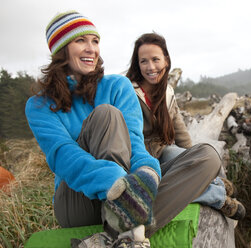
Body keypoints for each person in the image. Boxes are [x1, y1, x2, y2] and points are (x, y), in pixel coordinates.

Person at [25, 11, 221, 247]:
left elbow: (135, 144)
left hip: (129, 185)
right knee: (107, 115)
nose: (91, 49)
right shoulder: (39, 105)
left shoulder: (118, 86)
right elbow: (64, 156)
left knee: (207, 157)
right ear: (61, 49)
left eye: (95, 41)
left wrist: (147, 173)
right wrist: (119, 185)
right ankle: (129, 222)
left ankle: (115, 234)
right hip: (77, 201)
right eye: (81, 41)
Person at [126, 32, 246, 221]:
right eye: (144, 61)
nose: (151, 67)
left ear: (166, 60)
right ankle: (218, 196)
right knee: (170, 185)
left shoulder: (167, 91)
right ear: (137, 64)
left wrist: (194, 157)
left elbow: (179, 127)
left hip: (162, 151)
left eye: (155, 59)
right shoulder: (128, 92)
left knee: (181, 155)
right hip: (138, 161)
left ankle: (212, 181)